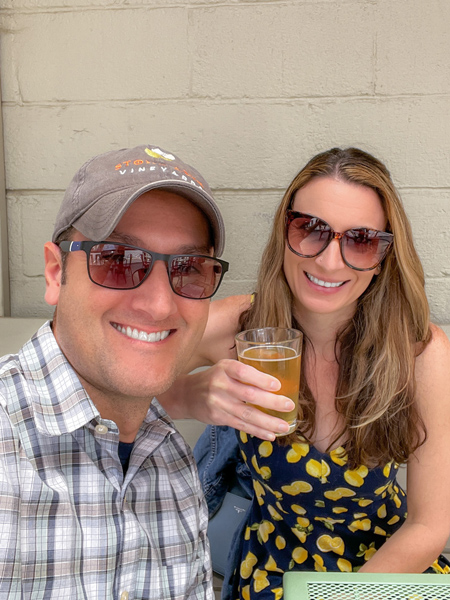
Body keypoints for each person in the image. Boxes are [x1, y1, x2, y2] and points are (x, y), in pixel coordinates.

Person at [160, 147, 450, 599]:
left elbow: (429, 526)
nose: (330, 262)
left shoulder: (418, 353)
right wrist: (183, 398)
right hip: (275, 567)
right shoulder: (238, 330)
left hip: (388, 565)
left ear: (385, 255)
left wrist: (346, 597)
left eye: (361, 239)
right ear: (285, 231)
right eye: (311, 229)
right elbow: (104, 383)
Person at [0, 144, 231, 599]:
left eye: (189, 270)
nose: (160, 304)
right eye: (117, 260)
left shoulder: (172, 461)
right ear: (55, 272)